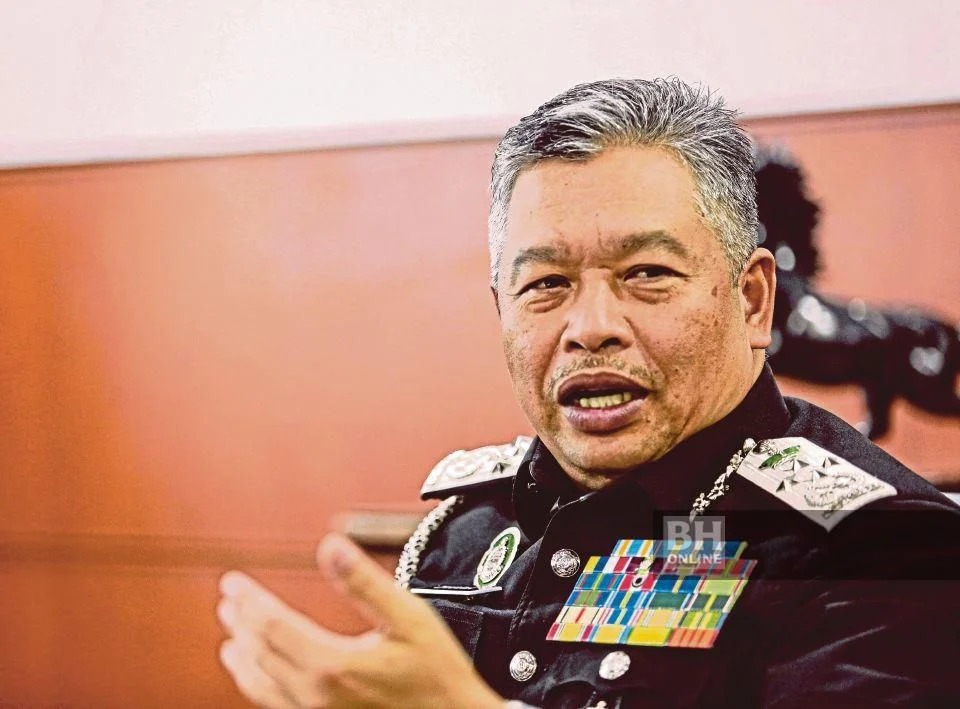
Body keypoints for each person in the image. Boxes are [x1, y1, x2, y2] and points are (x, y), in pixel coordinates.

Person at [217, 78, 960, 708]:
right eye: (546, 284)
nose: (591, 328)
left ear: (753, 300)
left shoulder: (880, 549)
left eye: (647, 274)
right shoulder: (466, 531)